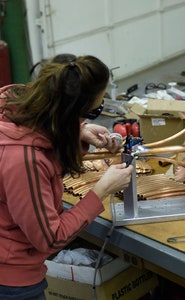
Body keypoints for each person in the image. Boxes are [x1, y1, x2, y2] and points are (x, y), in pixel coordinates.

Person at [0, 54, 134, 299]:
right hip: (11, 280)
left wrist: (78, 131)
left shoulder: (13, 104)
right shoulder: (24, 160)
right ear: (72, 109)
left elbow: (40, 125)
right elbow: (50, 239)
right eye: (93, 111)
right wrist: (102, 190)